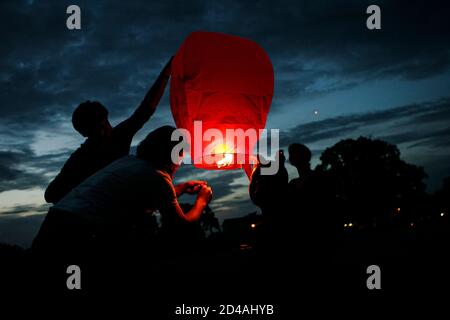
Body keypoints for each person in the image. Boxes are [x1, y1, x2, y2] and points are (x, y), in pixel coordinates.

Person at [32, 126, 213, 258]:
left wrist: (180, 189)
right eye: (181, 155)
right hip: (79, 232)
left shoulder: (128, 162)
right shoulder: (158, 177)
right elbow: (180, 226)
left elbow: (144, 201)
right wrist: (202, 202)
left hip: (56, 220)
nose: (181, 162)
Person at [44, 58, 172, 204]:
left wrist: (166, 73)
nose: (104, 131)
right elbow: (51, 195)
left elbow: (146, 108)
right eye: (96, 129)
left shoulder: (119, 135)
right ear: (85, 133)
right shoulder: (79, 159)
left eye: (105, 124)